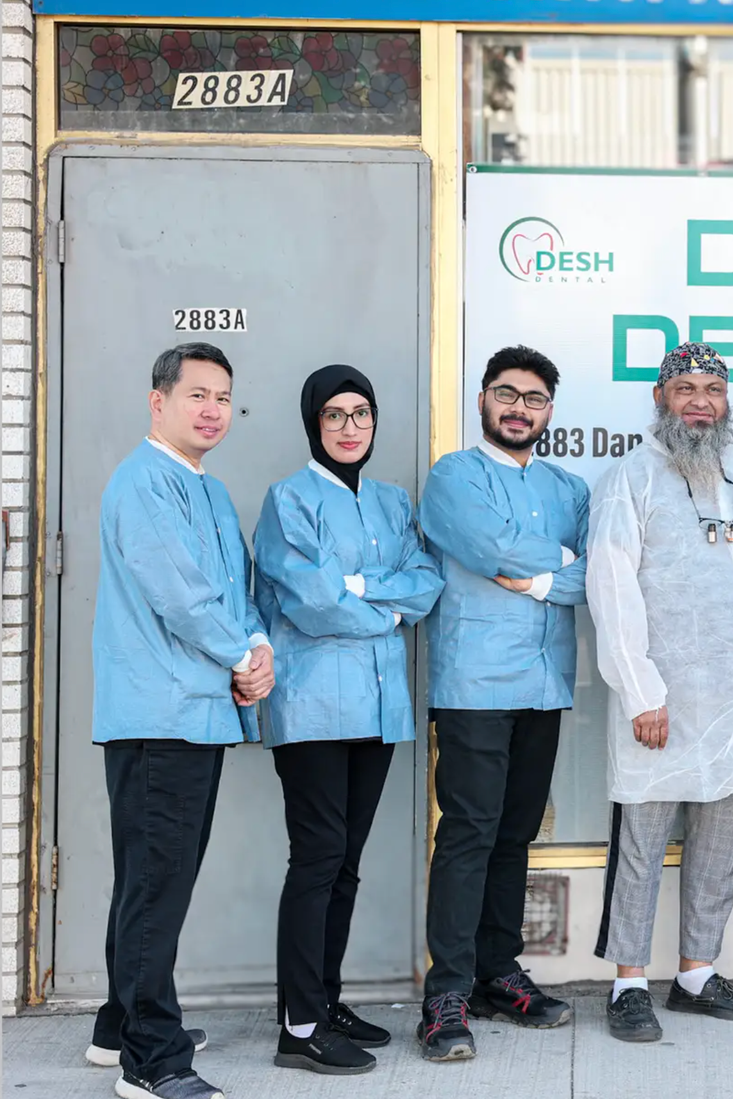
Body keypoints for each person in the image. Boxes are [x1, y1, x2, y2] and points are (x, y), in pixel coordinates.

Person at [587, 342, 733, 1043]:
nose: (701, 402)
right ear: (661, 399)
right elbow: (611, 586)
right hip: (664, 704)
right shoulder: (631, 477)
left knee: (721, 846)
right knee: (642, 849)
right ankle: (628, 984)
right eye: (686, 389)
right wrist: (641, 691)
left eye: (713, 389)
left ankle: (697, 976)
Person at [87, 343, 274, 1099]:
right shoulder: (142, 482)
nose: (212, 410)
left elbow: (236, 591)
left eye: (223, 397)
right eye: (197, 394)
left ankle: (118, 1026)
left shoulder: (211, 491)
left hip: (198, 713)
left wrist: (257, 646)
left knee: (150, 880)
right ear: (157, 400)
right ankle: (152, 1060)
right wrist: (242, 653)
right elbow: (182, 598)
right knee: (156, 888)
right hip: (158, 715)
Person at [254, 366, 444, 1075]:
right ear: (314, 423)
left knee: (346, 862)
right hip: (310, 706)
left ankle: (324, 1001)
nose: (349, 427)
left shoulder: (393, 501)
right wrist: (384, 609)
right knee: (317, 857)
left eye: (361, 413)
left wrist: (363, 589)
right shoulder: (288, 500)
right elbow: (311, 602)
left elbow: (425, 582)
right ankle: (299, 1026)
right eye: (333, 414)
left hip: (377, 704)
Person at [414, 346, 587, 1061]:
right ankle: (446, 993)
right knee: (469, 833)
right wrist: (560, 561)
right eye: (507, 394)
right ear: (484, 398)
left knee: (515, 834)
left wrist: (541, 580)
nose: (520, 408)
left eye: (534, 398)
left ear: (550, 411)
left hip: (544, 685)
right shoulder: (454, 476)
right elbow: (488, 544)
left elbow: (600, 574)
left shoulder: (570, 488)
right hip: (475, 686)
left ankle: (497, 973)